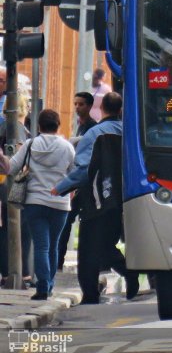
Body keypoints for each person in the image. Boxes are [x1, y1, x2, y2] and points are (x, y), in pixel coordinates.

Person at [52, 92, 139, 304]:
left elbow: (84, 169)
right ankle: (130, 273)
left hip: (97, 199)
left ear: (101, 109)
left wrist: (61, 187)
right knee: (106, 245)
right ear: (120, 110)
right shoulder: (131, 134)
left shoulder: (95, 134)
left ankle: (91, 294)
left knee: (89, 250)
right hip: (126, 200)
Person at [0, 109, 75, 300]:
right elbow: (74, 175)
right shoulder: (67, 147)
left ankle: (43, 287)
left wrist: (2, 158)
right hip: (60, 203)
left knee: (41, 246)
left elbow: (11, 168)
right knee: (53, 245)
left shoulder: (30, 144)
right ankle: (49, 285)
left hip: (35, 202)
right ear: (58, 125)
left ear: (39, 126)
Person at [57, 92, 98, 271]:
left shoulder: (92, 128)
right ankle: (59, 259)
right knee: (66, 222)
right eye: (75, 104)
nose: (77, 108)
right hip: (78, 180)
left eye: (81, 104)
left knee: (73, 221)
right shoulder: (80, 126)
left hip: (85, 183)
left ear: (89, 106)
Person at [0, 94, 34, 287]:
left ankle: (7, 272)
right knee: (22, 229)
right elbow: (20, 158)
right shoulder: (17, 128)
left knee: (5, 230)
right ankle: (22, 273)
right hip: (15, 185)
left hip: (3, 184)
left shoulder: (3, 126)